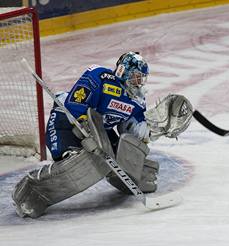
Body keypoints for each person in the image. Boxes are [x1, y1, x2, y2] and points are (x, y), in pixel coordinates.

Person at [11, 52, 193, 218]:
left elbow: (130, 131)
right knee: (74, 162)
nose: (139, 82)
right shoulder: (100, 77)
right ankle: (31, 191)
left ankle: (137, 174)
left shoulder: (136, 100)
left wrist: (155, 130)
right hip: (65, 120)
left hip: (99, 131)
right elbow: (76, 103)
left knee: (121, 154)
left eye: (141, 78)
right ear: (123, 71)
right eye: (136, 77)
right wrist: (85, 132)